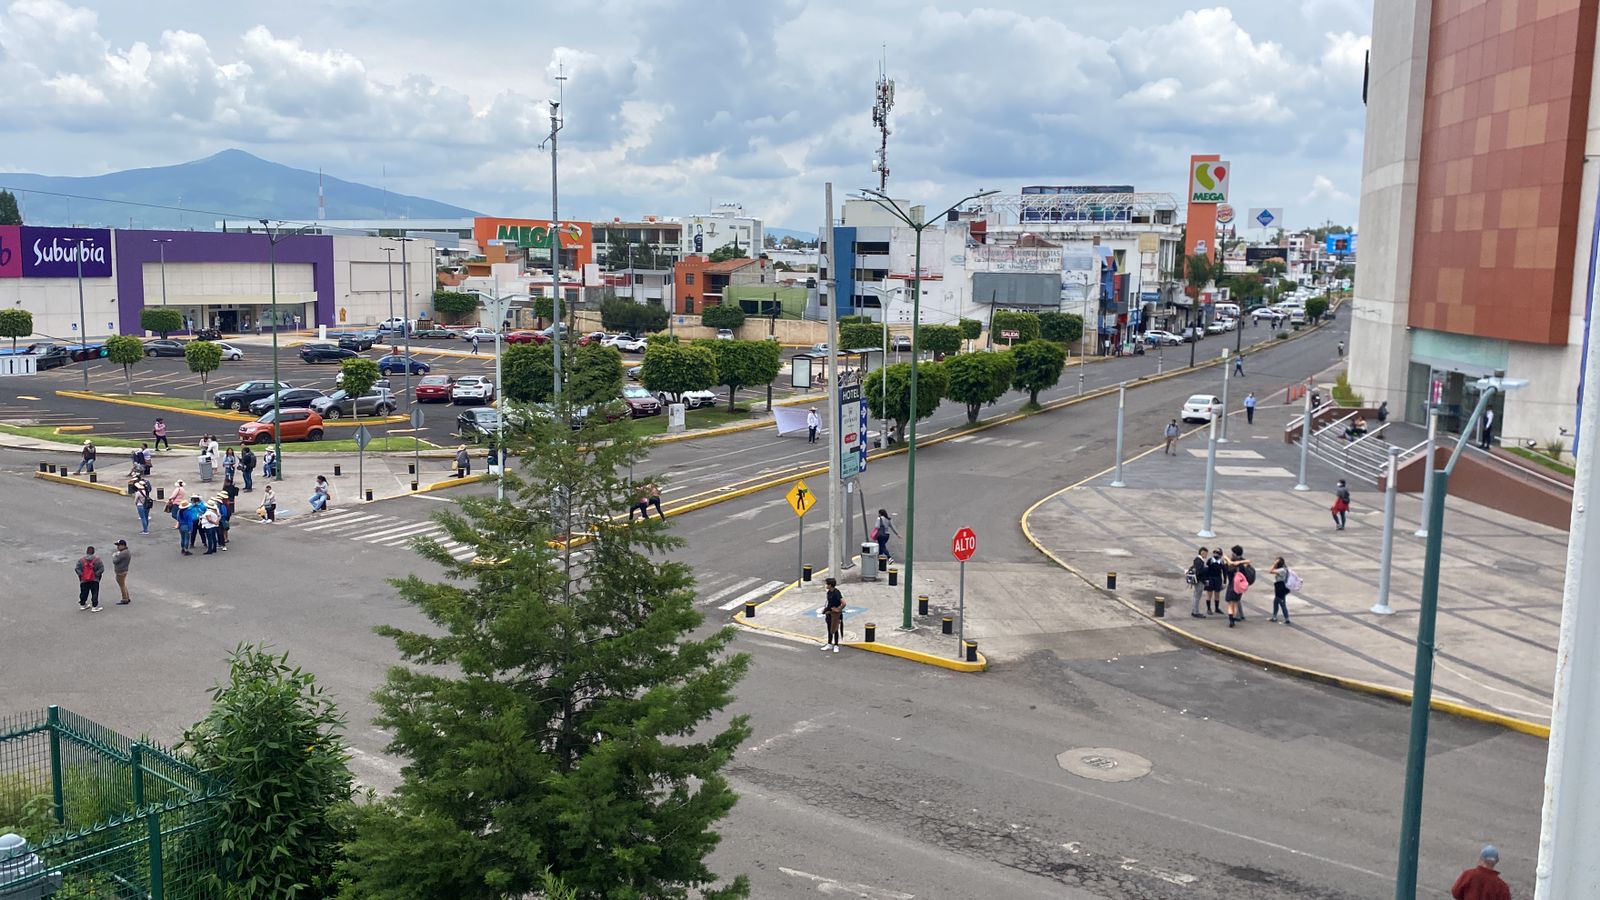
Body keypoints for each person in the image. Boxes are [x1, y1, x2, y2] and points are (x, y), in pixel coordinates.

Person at [1222, 545, 1254, 627]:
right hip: (1239, 587)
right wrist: (1238, 562)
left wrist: (1227, 560)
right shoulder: (1242, 565)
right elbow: (1248, 561)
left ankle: (1231, 621)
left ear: (1234, 553)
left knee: (1230, 604)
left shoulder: (1230, 566)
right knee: (1235, 604)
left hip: (1231, 585)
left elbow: (1227, 567)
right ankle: (1234, 618)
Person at [74, 546, 104, 612]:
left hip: (84, 580)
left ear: (86, 552)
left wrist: (82, 575)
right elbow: (102, 569)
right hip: (94, 580)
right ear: (93, 552)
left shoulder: (81, 560)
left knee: (84, 592)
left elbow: (77, 569)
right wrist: (96, 574)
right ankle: (94, 606)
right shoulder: (97, 560)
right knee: (94, 593)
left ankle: (82, 605)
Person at [821, 577, 844, 652]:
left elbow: (843, 603)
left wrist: (838, 609)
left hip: (835, 614)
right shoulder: (829, 592)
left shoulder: (836, 592)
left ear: (830, 585)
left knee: (835, 628)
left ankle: (836, 645)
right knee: (829, 628)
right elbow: (828, 602)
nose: (826, 585)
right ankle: (829, 643)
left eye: (827, 584)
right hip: (829, 613)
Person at [1187, 545, 1209, 618]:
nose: (1206, 555)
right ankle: (1196, 612)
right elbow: (1200, 571)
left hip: (1198, 580)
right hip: (1199, 581)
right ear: (1202, 553)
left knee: (1196, 596)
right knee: (1197, 596)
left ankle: (1194, 611)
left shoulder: (1198, 560)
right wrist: (1206, 569)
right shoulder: (1199, 561)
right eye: (1206, 553)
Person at [1268, 556, 1292, 624]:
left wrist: (1274, 564)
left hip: (1280, 587)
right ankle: (1274, 617)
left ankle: (1287, 618)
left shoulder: (1281, 570)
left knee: (1282, 603)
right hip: (1282, 587)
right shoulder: (1285, 568)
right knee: (1276, 602)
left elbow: (1270, 571)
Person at [1204, 548, 1225, 616]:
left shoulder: (1221, 562)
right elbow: (1206, 570)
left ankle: (1217, 608)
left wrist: (1224, 581)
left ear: (1220, 555)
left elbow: (1224, 572)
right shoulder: (1210, 561)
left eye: (1217, 553)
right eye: (1214, 552)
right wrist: (1206, 579)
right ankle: (1209, 608)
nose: (1215, 554)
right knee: (1209, 594)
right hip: (1210, 578)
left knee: (1217, 594)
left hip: (1218, 579)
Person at [111, 539, 132, 604]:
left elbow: (115, 561)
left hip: (121, 571)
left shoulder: (123, 553)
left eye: (118, 545)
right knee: (123, 584)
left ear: (123, 545)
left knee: (122, 585)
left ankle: (125, 599)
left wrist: (115, 556)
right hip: (124, 570)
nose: (117, 547)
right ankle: (127, 597)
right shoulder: (126, 552)